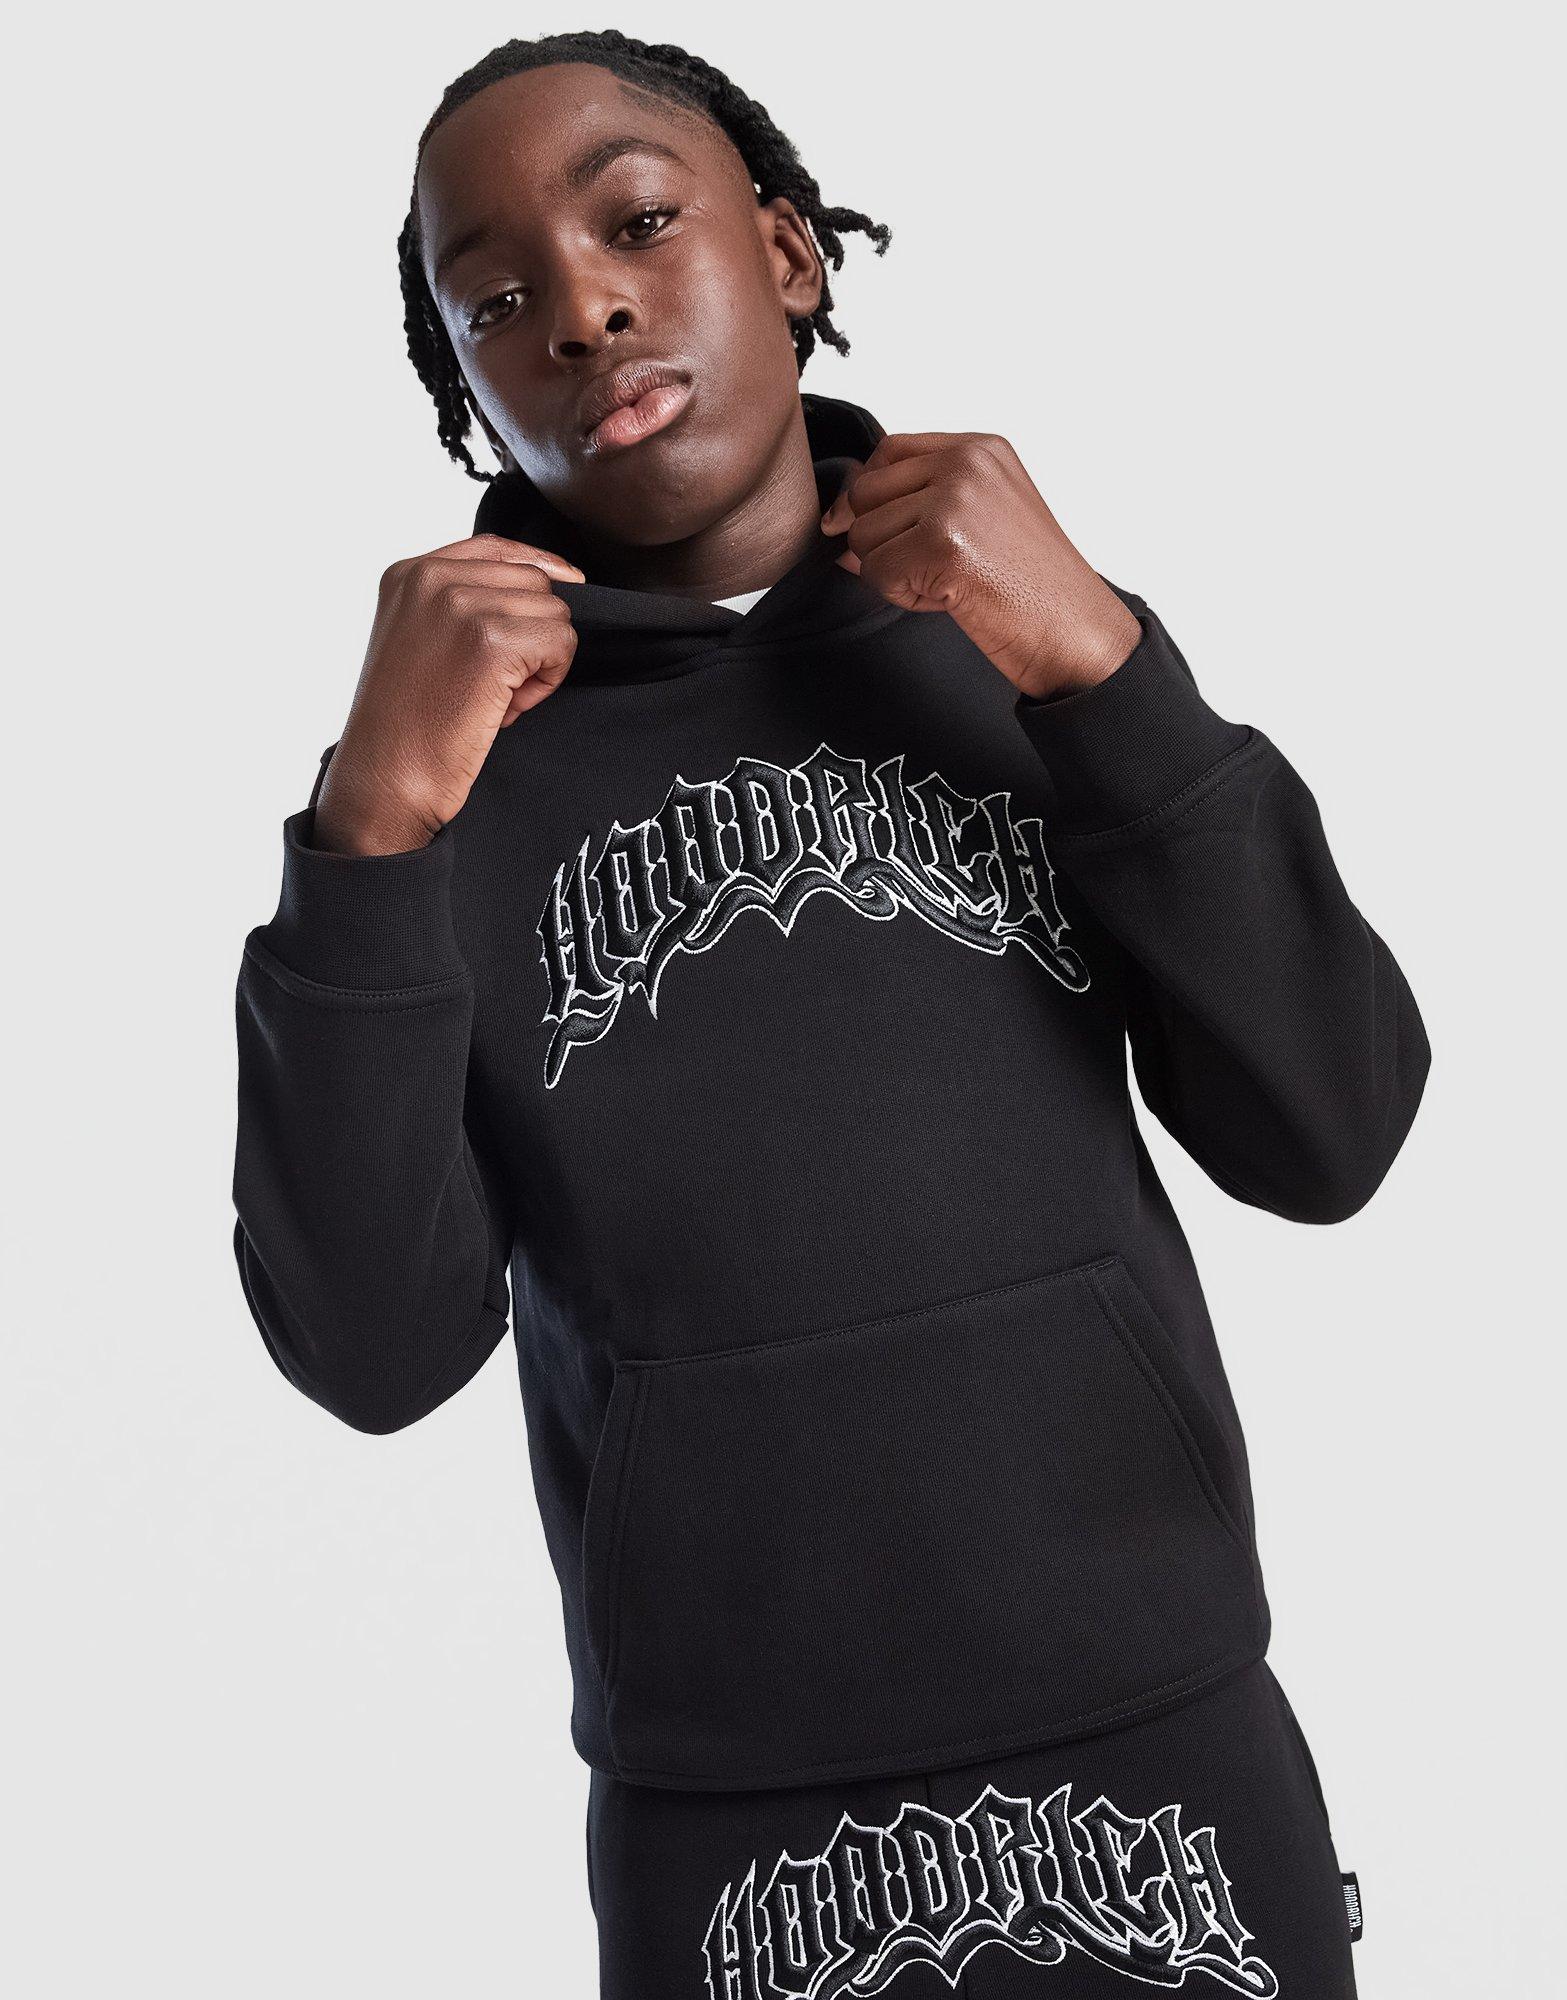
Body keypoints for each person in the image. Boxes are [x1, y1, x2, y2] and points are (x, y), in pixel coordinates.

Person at [231, 29, 1429, 1997]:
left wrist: (1107, 671)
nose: (581, 310)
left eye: (635, 223)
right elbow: (369, 1348)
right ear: (460, 384)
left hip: (1163, 1760)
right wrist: (366, 839)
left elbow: (1333, 1125)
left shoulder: (1028, 643)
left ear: (786, 251)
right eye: (495, 303)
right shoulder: (442, 780)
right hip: (734, 1820)